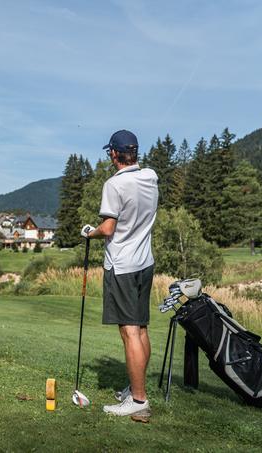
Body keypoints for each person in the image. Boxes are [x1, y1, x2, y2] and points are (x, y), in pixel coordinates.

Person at [81, 130, 158, 420]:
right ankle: (135, 388)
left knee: (129, 332)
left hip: (123, 266)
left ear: (114, 154)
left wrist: (90, 232)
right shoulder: (151, 177)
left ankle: (138, 401)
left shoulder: (113, 185)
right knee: (141, 328)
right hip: (144, 262)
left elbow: (109, 229)